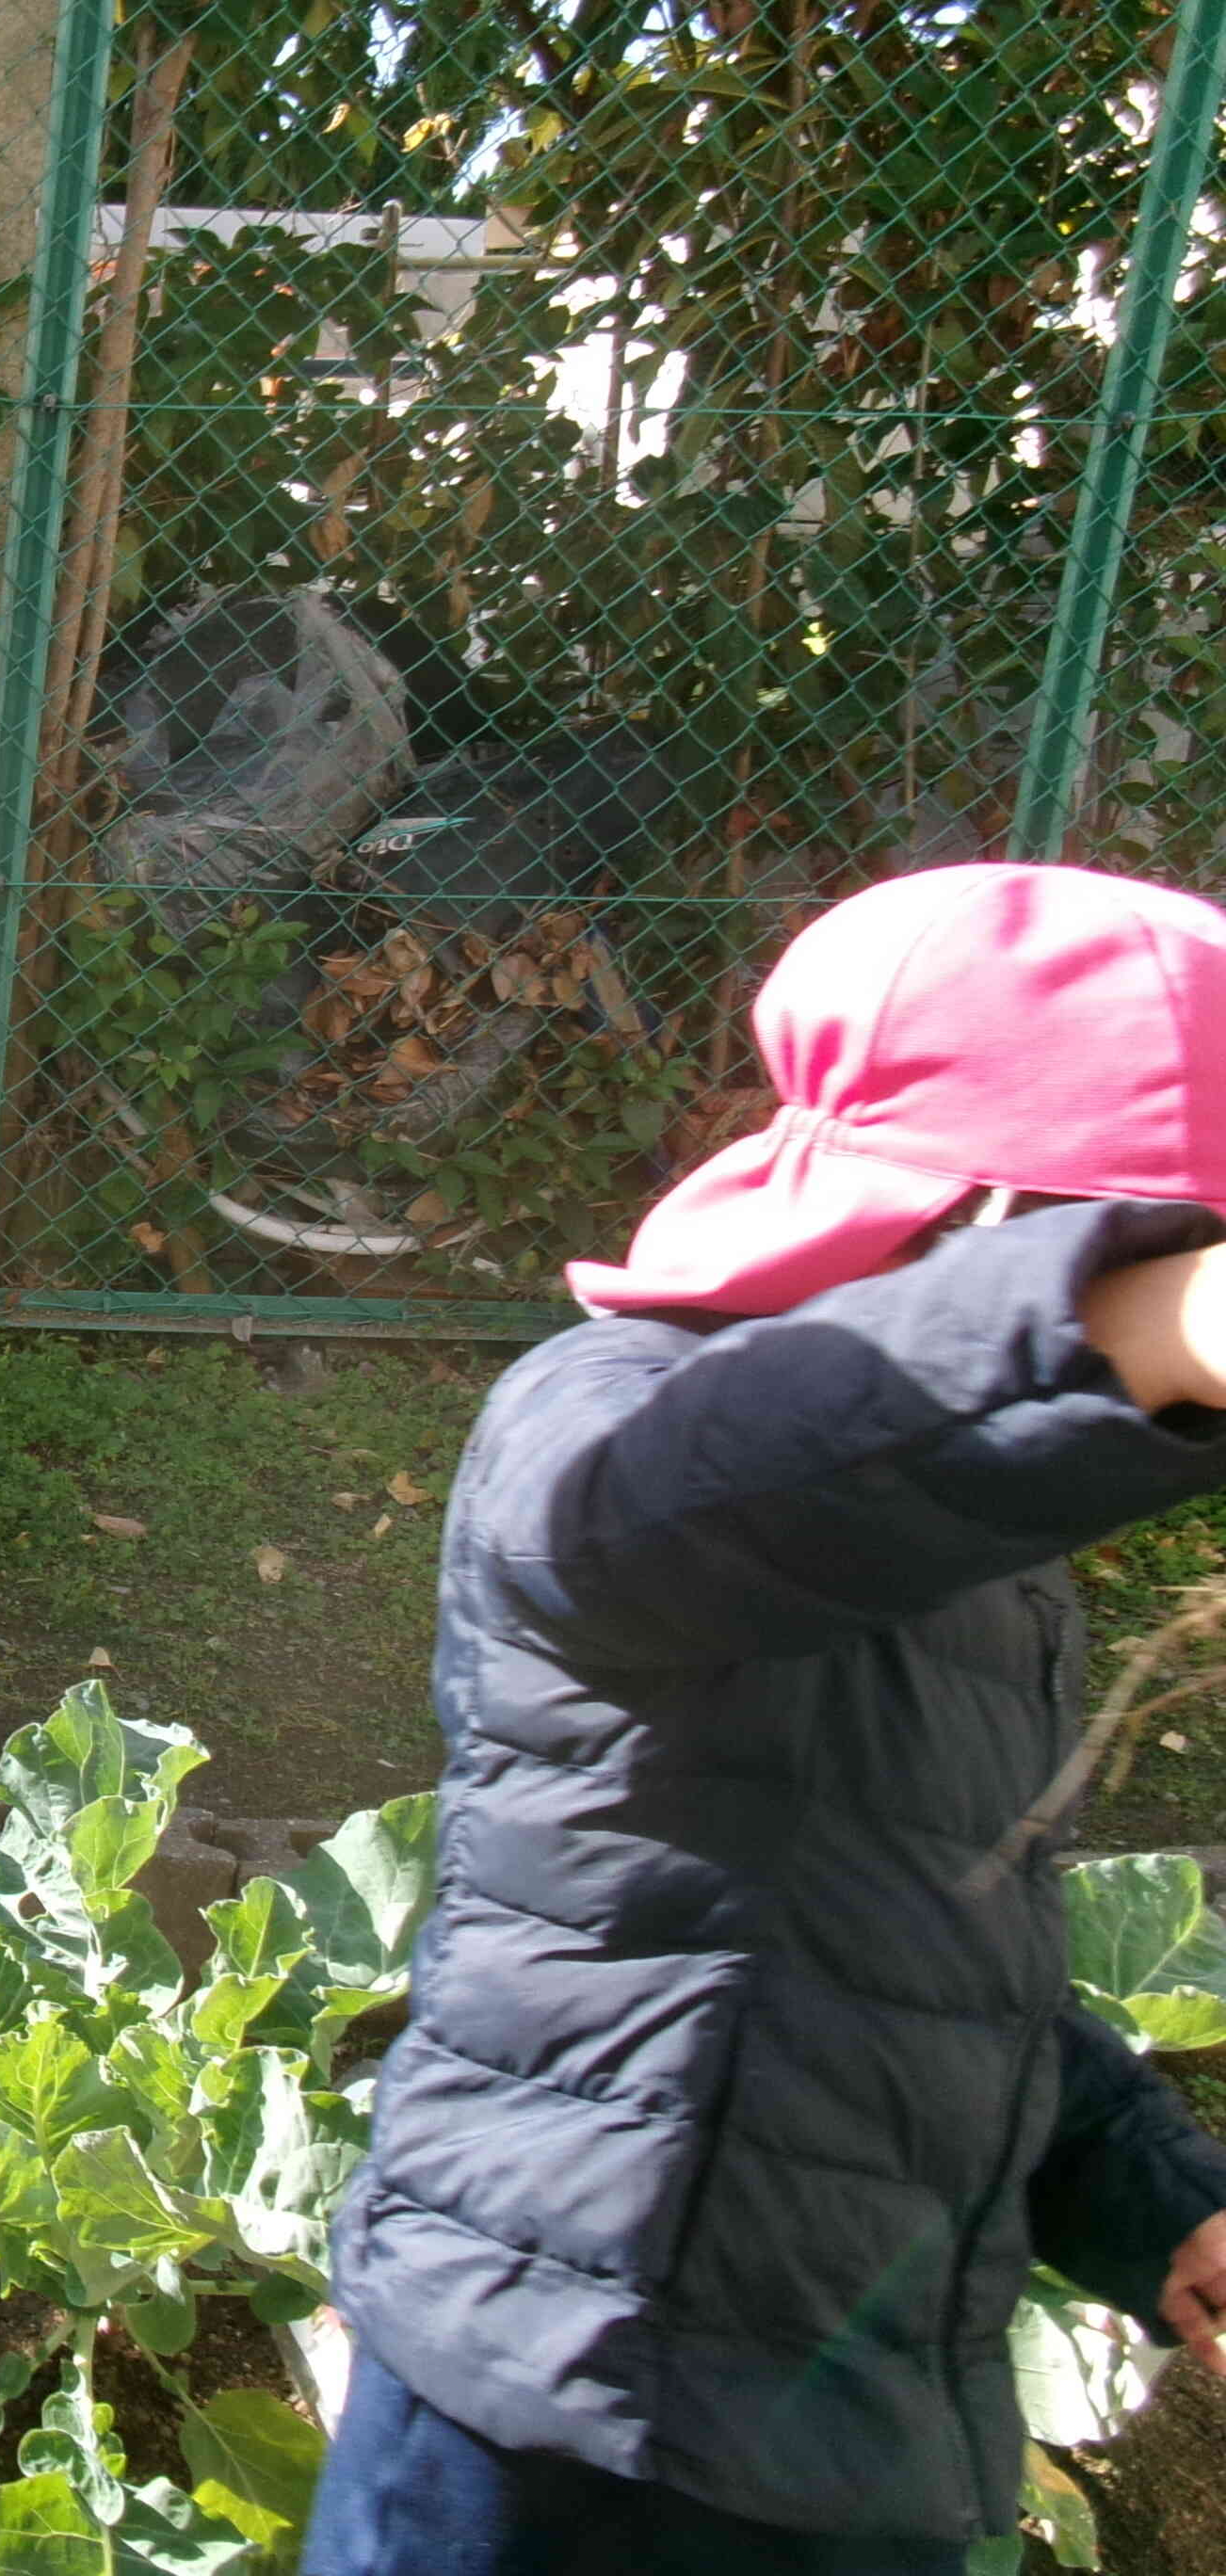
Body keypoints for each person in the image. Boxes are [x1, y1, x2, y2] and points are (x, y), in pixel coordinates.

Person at [306, 860, 1226, 2573]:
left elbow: (926, 1962)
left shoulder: (990, 1575)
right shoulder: (609, 1422)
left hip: (853, 2439)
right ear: (968, 1229)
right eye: (1134, 1246)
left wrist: (1156, 2195)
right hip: (574, 2416)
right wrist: (1133, 1330)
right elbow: (682, 1513)